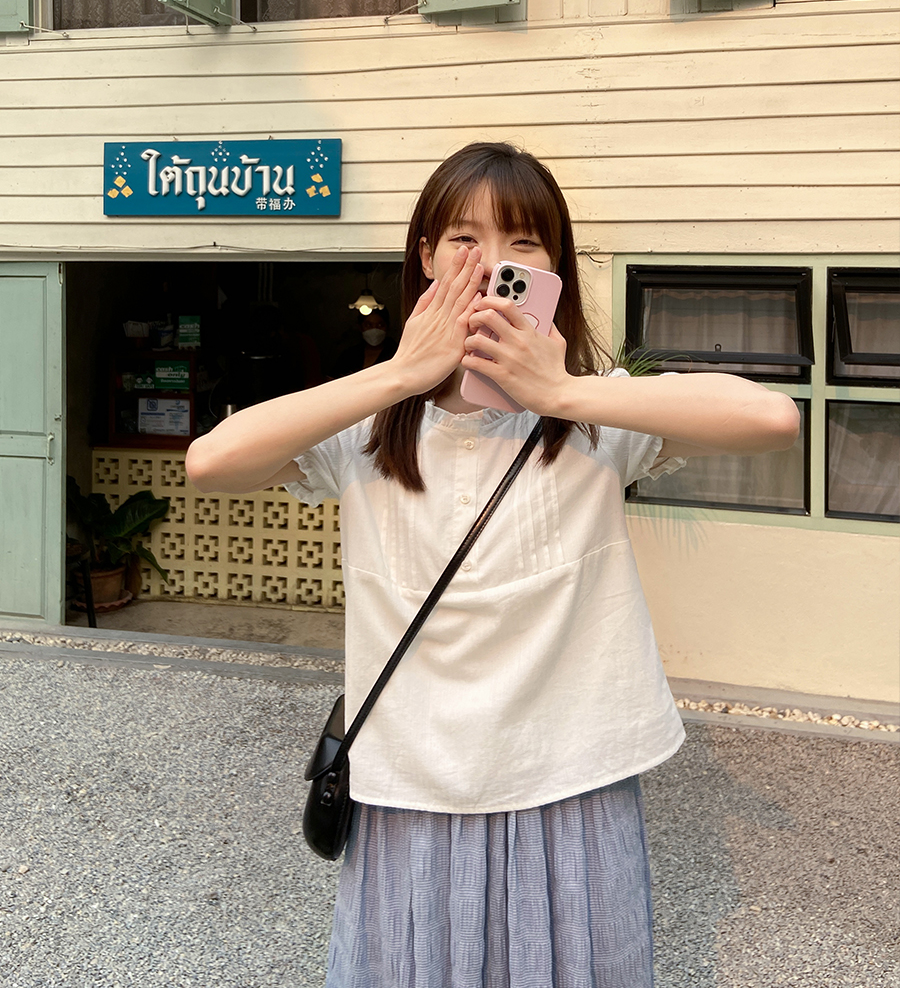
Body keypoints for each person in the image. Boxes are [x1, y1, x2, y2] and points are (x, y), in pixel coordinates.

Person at [186, 142, 799, 987]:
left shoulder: (597, 417)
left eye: (523, 242)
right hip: (411, 788)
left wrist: (562, 392)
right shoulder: (365, 429)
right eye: (464, 239)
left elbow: (772, 420)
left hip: (571, 781)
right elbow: (211, 463)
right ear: (426, 257)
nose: (491, 264)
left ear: (553, 269)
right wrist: (400, 374)